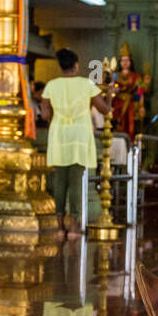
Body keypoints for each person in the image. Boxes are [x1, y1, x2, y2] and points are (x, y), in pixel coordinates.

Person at [41, 47, 112, 238]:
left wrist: (58, 115)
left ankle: (59, 227)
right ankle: (73, 227)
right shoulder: (86, 84)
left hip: (59, 135)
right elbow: (104, 109)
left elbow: (45, 114)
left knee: (59, 182)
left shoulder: (51, 86)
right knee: (75, 183)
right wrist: (110, 93)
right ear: (76, 65)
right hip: (79, 136)